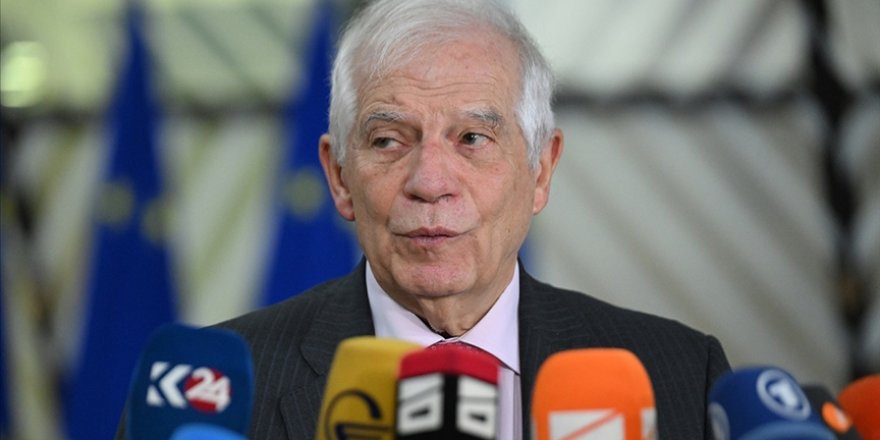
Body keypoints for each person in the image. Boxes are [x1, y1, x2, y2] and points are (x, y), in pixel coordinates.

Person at [220, 0, 730, 438]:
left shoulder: (681, 375)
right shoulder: (229, 387)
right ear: (339, 177)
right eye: (388, 141)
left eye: (472, 138)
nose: (430, 182)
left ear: (540, 170)